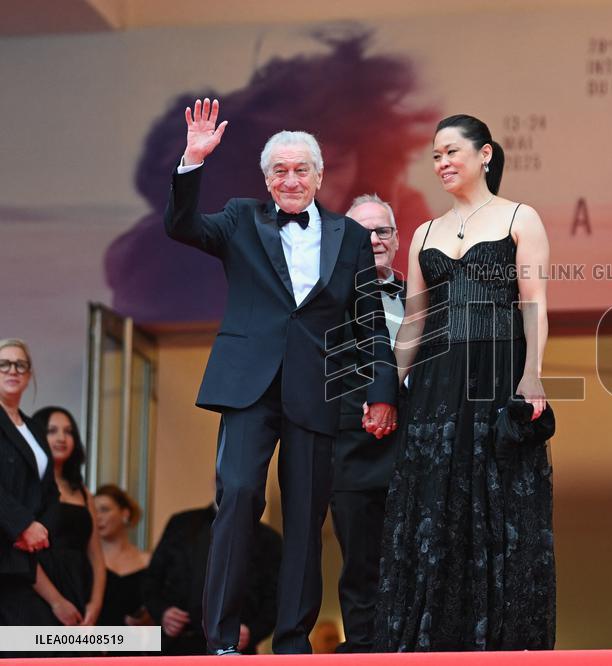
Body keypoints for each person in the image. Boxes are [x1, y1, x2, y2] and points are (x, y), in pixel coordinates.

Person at [164, 98, 398, 654]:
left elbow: (370, 322)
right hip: (248, 386)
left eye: (301, 169)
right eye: (279, 170)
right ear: (266, 179)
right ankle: (220, 637)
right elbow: (182, 226)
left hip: (317, 389)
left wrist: (381, 391)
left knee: (305, 518)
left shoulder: (347, 236)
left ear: (319, 176)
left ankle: (292, 641)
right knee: (240, 495)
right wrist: (192, 161)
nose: (290, 179)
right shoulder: (241, 218)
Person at [375, 115, 556, 651]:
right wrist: (388, 390)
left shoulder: (521, 218)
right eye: (434, 156)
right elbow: (412, 322)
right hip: (432, 388)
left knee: (493, 505)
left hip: (496, 377)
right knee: (432, 506)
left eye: (452, 151)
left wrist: (532, 379)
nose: (442, 163)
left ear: (485, 154)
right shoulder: (426, 232)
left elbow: (534, 304)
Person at [105, 31, 434, 324]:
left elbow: (412, 319)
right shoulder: (186, 242)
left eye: (335, 166)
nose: (317, 184)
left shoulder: (396, 218)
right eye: (297, 167)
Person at [327, 194, 405, 652]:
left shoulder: (422, 298)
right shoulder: (323, 299)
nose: (374, 240)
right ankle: (362, 650)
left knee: (415, 557)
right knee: (360, 562)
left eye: (383, 231)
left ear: (396, 240)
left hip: (412, 449)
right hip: (350, 446)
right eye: (362, 232)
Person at [143, 502, 282, 655]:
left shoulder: (269, 539)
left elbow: (274, 599)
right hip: (177, 646)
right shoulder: (181, 524)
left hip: (236, 650)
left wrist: (253, 632)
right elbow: (151, 580)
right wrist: (162, 612)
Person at [0, 339, 60, 627]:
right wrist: (22, 525)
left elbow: (49, 489)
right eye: (4, 364)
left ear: (29, 375)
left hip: (22, 559)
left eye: (20, 364)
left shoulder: (34, 427)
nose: (13, 370)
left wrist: (39, 530)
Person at [31, 406, 106, 627]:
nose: (62, 438)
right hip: (38, 593)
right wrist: (56, 602)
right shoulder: (28, 487)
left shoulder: (83, 493)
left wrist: (95, 603)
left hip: (79, 589)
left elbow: (97, 558)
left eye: (69, 431)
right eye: (52, 431)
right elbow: (20, 555)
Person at [94, 484, 152, 627]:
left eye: (104, 510)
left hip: (137, 645)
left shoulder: (148, 561)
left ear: (125, 514)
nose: (98, 517)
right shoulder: (85, 561)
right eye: (93, 511)